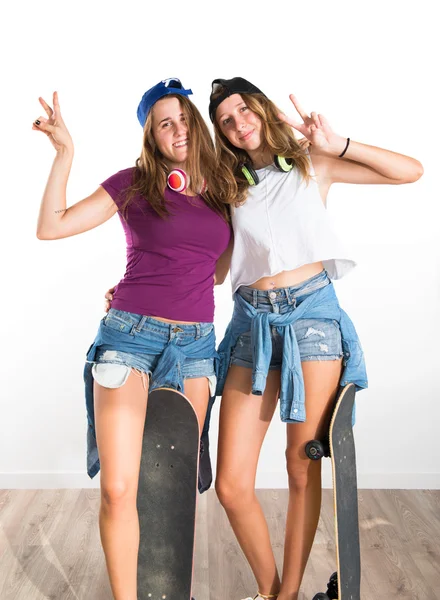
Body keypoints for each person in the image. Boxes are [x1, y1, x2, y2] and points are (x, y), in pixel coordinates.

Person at [207, 77, 423, 600]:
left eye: (244, 110)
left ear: (262, 107)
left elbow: (410, 172)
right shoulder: (225, 187)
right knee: (232, 485)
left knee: (301, 466)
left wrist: (338, 144)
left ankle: (286, 597)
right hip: (250, 326)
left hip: (312, 319)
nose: (240, 124)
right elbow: (212, 269)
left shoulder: (310, 164)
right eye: (226, 122)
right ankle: (271, 588)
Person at [34, 78, 232, 600]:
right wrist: (65, 153)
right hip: (130, 340)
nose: (178, 128)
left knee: (175, 494)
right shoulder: (133, 183)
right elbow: (51, 227)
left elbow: (214, 271)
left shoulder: (225, 188)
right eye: (165, 122)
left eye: (184, 116)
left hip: (195, 349)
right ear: (152, 135)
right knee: (120, 488)